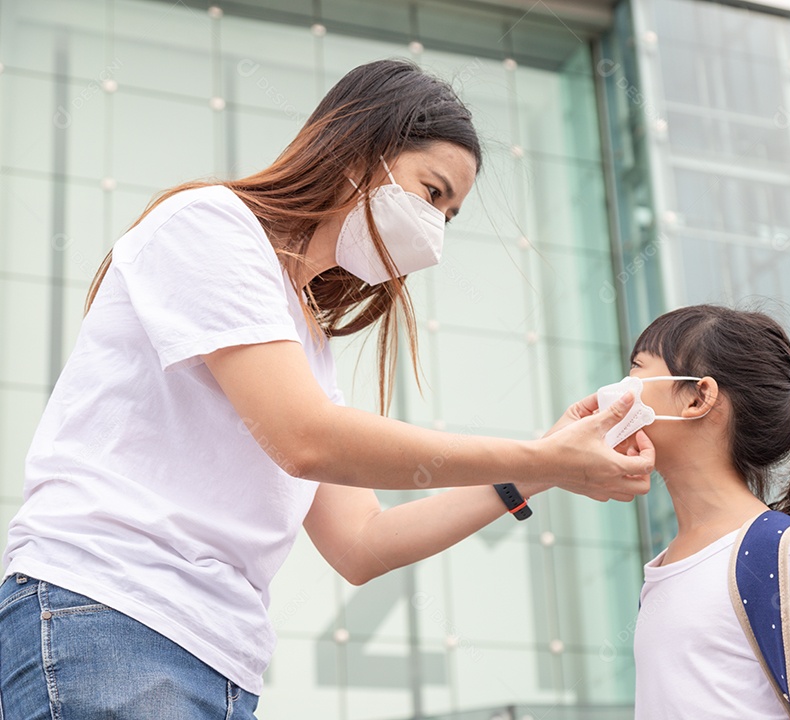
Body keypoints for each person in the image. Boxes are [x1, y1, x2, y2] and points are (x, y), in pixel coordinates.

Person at [0, 59, 653, 719]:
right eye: (432, 193)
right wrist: (543, 459)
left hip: (213, 661)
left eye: (450, 216)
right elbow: (304, 438)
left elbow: (361, 542)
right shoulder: (211, 225)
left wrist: (539, 470)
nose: (435, 234)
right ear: (359, 151)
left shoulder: (305, 336)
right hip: (110, 617)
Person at [625, 304, 790, 719]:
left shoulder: (776, 556)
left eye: (635, 369)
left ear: (698, 397)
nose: (618, 390)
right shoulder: (665, 567)